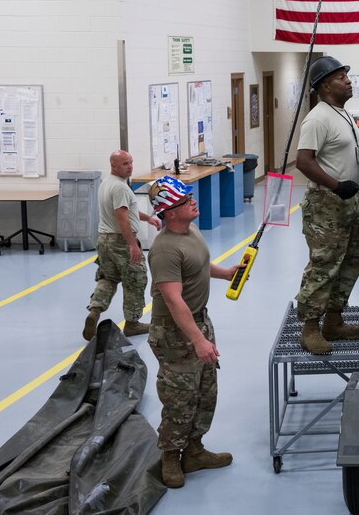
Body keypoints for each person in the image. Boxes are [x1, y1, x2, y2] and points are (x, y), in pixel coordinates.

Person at [147, 175, 239, 489]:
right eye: (186, 200)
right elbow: (173, 300)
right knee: (179, 397)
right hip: (175, 332)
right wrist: (197, 340)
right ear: (169, 213)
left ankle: (195, 450)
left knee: (205, 391)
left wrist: (225, 273)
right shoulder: (164, 250)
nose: (193, 201)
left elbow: (198, 265)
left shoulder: (190, 231)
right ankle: (171, 456)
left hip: (199, 321)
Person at [294, 55, 359, 355]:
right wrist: (337, 186)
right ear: (325, 86)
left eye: (346, 76)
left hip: (349, 202)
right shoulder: (318, 117)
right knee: (324, 266)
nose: (348, 81)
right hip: (326, 204)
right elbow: (303, 161)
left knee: (349, 264)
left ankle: (334, 321)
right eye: (341, 77)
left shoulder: (341, 114)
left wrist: (358, 195)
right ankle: (310, 328)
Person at [83, 150, 161, 341]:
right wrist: (133, 245)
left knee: (108, 278)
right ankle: (132, 324)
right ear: (113, 166)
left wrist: (148, 219)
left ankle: (95, 310)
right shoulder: (119, 188)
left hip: (104, 239)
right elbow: (121, 217)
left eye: (131, 162)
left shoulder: (107, 184)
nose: (130, 166)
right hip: (120, 241)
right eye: (125, 163)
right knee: (135, 279)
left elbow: (129, 211)